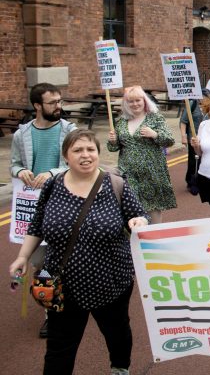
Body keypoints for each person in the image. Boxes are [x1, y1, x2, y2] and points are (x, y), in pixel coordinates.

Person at [9, 129, 149, 375]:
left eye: (90, 149)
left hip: (112, 280)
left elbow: (139, 215)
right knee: (59, 345)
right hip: (62, 283)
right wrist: (22, 256)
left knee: (117, 331)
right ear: (66, 156)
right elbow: (37, 224)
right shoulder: (53, 185)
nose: (85, 155)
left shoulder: (115, 184)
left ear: (97, 153)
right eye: (78, 150)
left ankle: (120, 367)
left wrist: (138, 221)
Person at [10, 82, 77, 339]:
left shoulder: (70, 131)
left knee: (64, 259)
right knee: (40, 263)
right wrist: (21, 171)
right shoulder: (21, 134)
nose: (59, 106)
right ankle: (53, 307)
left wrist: (52, 172)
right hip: (34, 207)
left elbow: (79, 164)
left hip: (65, 204)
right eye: (53, 102)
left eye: (60, 101)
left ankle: (62, 310)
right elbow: (14, 165)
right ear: (37, 105)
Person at [107, 86, 176, 224]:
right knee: (132, 207)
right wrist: (113, 141)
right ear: (126, 104)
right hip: (128, 172)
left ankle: (155, 238)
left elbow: (169, 140)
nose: (135, 104)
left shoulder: (155, 118)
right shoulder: (121, 121)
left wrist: (155, 134)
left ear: (144, 101)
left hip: (151, 172)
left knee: (153, 208)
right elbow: (113, 148)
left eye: (138, 100)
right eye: (131, 101)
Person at [179, 90, 208, 195]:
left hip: (205, 138)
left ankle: (200, 181)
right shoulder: (192, 103)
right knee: (194, 161)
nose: (207, 100)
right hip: (193, 138)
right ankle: (191, 182)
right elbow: (183, 121)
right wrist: (183, 136)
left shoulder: (208, 106)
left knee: (203, 160)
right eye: (206, 97)